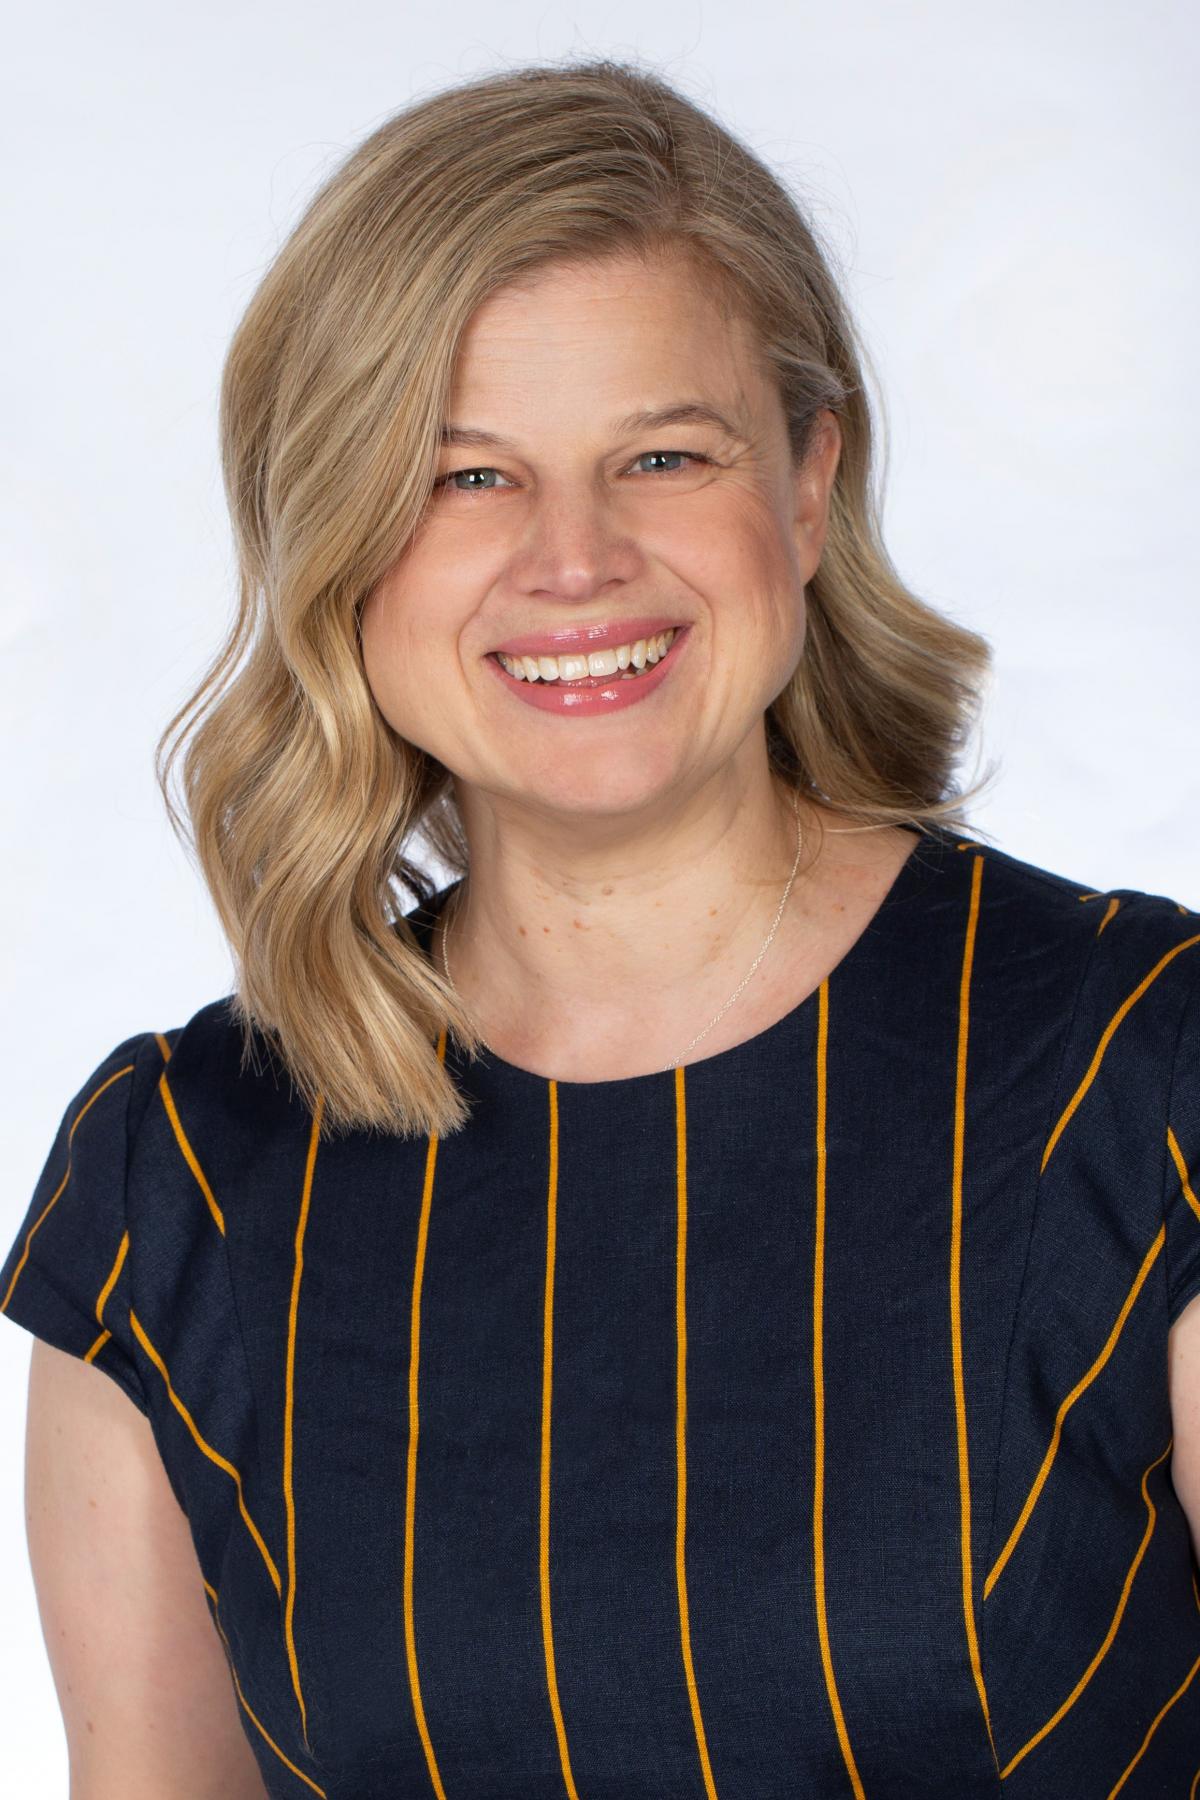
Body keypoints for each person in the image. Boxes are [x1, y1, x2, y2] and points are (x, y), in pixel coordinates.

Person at [3, 55, 1199, 1800]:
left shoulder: (1142, 1067)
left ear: (804, 488)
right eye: (465, 476)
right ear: (335, 542)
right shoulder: (175, 1187)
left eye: (660, 453)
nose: (575, 559)